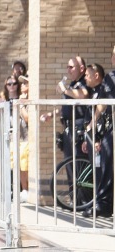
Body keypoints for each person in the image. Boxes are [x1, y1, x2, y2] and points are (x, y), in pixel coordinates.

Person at [81, 63, 113, 217]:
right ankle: (103, 204)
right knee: (104, 167)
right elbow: (103, 104)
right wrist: (93, 125)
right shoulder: (110, 77)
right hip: (110, 130)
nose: (113, 58)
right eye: (112, 55)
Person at [41, 56, 89, 160]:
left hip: (79, 129)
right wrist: (51, 114)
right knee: (70, 164)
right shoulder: (73, 84)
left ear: (81, 69)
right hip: (69, 129)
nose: (68, 70)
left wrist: (65, 91)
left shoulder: (85, 81)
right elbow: (66, 107)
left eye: (71, 67)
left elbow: (83, 94)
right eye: (67, 67)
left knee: (79, 164)